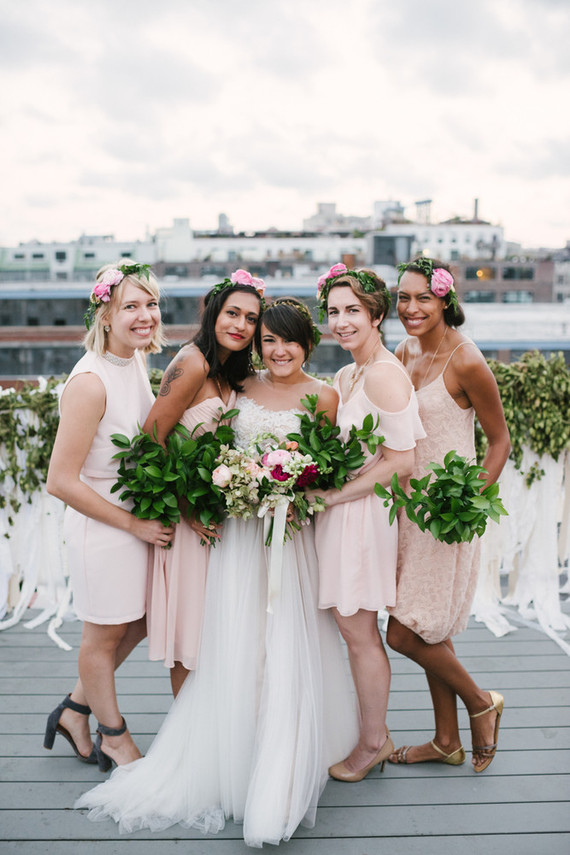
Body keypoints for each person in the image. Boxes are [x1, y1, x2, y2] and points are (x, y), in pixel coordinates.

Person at [75, 296, 359, 846]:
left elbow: (323, 465)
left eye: (288, 339)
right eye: (266, 338)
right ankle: (232, 752)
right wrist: (222, 493)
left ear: (309, 344)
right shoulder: (239, 386)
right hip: (233, 536)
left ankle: (281, 747)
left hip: (287, 537)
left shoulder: (326, 396)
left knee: (284, 642)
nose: (277, 349)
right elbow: (196, 447)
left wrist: (296, 490)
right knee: (231, 643)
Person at [44, 262, 174, 771]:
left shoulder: (133, 361)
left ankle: (75, 709)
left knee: (138, 621)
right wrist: (132, 525)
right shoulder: (90, 382)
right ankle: (113, 736)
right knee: (101, 638)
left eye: (151, 304)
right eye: (131, 307)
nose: (145, 316)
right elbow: (61, 480)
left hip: (131, 520)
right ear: (105, 312)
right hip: (104, 528)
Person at [386, 257, 510, 773]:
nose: (411, 309)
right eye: (404, 298)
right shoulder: (402, 350)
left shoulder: (467, 359)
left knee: (404, 633)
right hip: (405, 513)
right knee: (432, 629)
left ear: (444, 300)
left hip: (444, 516)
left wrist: (467, 503)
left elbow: (499, 441)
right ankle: (445, 741)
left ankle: (481, 702)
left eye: (423, 298)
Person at [308, 264, 425, 783]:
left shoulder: (381, 373)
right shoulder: (347, 374)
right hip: (342, 513)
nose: (341, 321)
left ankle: (374, 743)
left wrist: (331, 497)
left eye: (352, 310)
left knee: (359, 633)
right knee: (348, 627)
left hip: (362, 518)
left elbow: (401, 461)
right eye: (333, 312)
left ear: (376, 314)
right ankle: (366, 733)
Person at [143, 269, 264, 696]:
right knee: (190, 636)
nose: (241, 325)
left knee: (219, 631)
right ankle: (187, 742)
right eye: (233, 313)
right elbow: (149, 441)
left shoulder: (229, 371)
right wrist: (189, 508)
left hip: (222, 519)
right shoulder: (190, 362)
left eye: (251, 319)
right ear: (213, 313)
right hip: (190, 520)